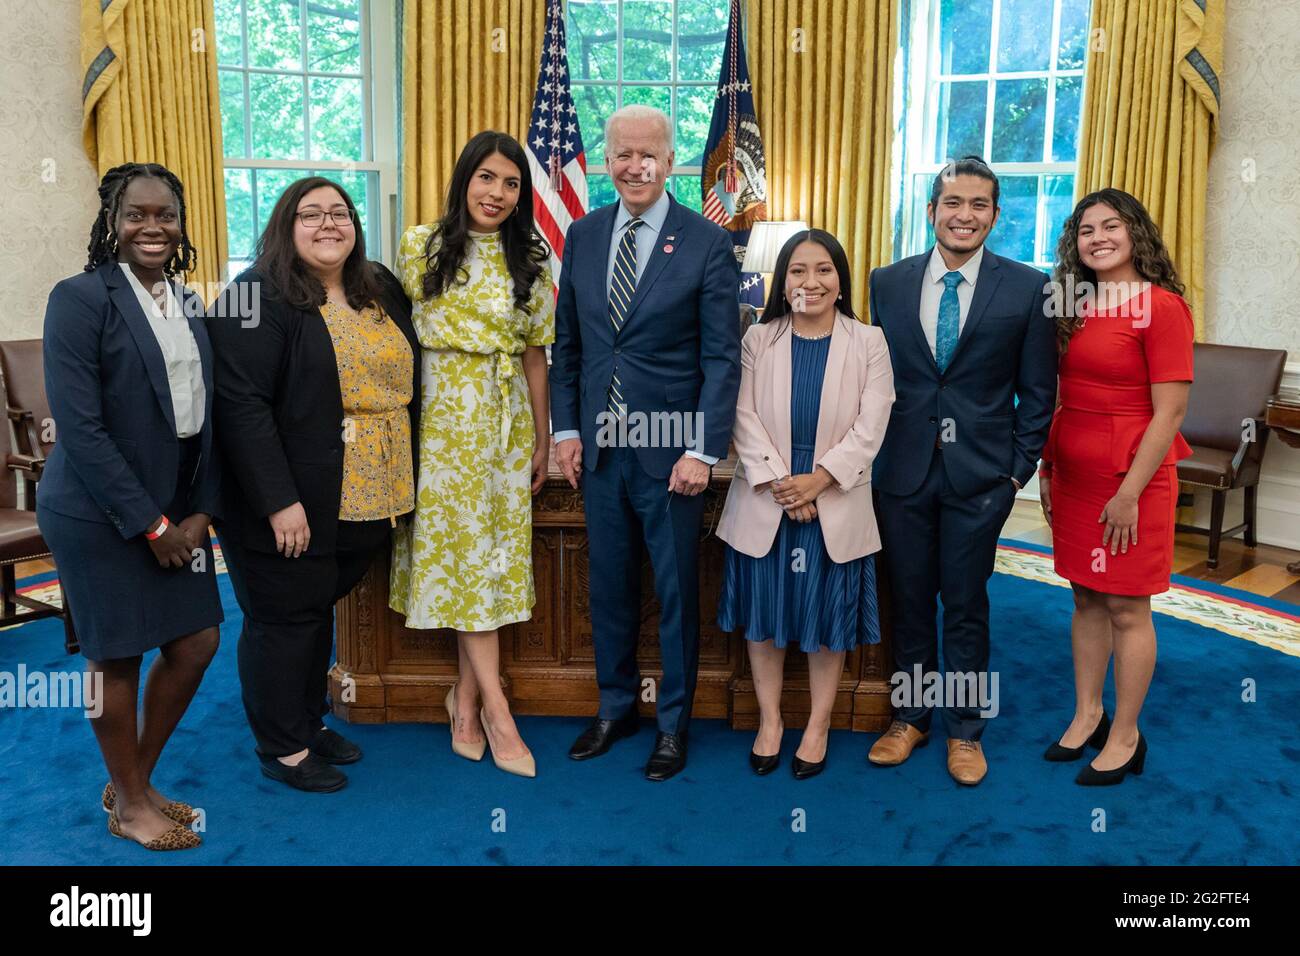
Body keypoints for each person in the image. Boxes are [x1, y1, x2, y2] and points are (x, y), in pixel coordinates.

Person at [207, 177, 419, 793]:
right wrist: (280, 503)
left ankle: (307, 719)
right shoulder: (257, 295)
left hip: (370, 490)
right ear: (284, 225)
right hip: (287, 496)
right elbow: (240, 407)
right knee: (282, 617)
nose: (329, 224)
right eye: (311, 214)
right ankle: (282, 746)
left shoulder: (377, 286)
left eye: (340, 213)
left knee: (315, 607)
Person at [550, 104, 741, 781]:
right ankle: (615, 707)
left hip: (672, 458)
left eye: (649, 154)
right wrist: (565, 429)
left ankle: (673, 724)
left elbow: (723, 359)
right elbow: (569, 345)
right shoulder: (582, 233)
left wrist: (702, 449)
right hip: (601, 451)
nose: (635, 165)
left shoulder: (706, 242)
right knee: (609, 588)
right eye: (623, 154)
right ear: (607, 161)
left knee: (675, 593)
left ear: (670, 161)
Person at [38, 163, 221, 850]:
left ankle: (133, 782)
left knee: (198, 640)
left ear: (180, 224)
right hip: (96, 512)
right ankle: (135, 805)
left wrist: (202, 511)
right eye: (137, 214)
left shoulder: (190, 302)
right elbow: (79, 430)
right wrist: (150, 524)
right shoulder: (80, 299)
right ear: (111, 222)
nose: (153, 226)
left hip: (179, 511)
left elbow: (210, 417)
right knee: (114, 659)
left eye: (165, 215)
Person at [868, 156, 1057, 785]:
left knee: (968, 603)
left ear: (996, 216)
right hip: (901, 472)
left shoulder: (1029, 289)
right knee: (911, 600)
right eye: (954, 203)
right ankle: (909, 717)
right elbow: (873, 378)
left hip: (982, 479)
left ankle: (966, 730)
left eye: (979, 205)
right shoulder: (887, 282)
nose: (965, 215)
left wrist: (1015, 474)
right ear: (932, 211)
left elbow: (1038, 391)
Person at [389, 131, 554, 779]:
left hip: (505, 423)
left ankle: (466, 701)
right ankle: (496, 710)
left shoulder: (532, 262)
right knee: (461, 559)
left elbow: (537, 355)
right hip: (439, 426)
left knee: (485, 566)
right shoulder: (417, 246)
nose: (497, 193)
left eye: (511, 183)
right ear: (465, 180)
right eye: (487, 177)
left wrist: (542, 437)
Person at [716, 230, 894, 779]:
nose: (810, 281)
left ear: (840, 280)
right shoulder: (757, 339)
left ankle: (816, 726)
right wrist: (781, 484)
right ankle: (770, 721)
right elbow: (740, 416)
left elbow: (872, 425)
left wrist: (818, 481)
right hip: (767, 500)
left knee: (827, 623)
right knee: (764, 621)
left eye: (823, 270)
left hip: (833, 503)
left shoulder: (870, 342)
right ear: (782, 280)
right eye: (797, 270)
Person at [1039, 188, 1193, 785]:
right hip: (1074, 473)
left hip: (1133, 478)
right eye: (1086, 229)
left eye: (1112, 226)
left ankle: (1127, 734)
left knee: (1128, 606)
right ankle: (1088, 714)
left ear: (1136, 234)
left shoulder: (1163, 307)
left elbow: (1170, 413)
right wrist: (1050, 469)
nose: (1098, 237)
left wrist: (1129, 491)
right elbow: (1060, 396)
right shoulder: (1072, 303)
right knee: (1083, 596)